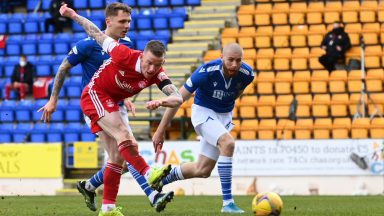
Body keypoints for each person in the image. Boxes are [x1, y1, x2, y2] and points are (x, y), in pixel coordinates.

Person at [38, 2, 174, 214]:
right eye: (122, 21)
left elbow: (132, 75)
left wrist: (127, 95)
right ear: (108, 21)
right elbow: (64, 67)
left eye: (129, 21)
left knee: (119, 157)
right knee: (125, 145)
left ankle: (94, 190)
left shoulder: (127, 45)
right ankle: (152, 194)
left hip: (116, 102)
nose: (127, 25)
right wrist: (53, 99)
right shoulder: (88, 44)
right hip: (95, 101)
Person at [152, 43, 254, 213]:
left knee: (203, 169)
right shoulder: (206, 71)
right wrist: (160, 130)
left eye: (238, 61)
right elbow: (178, 99)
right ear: (221, 57)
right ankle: (228, 203)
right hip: (203, 113)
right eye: (230, 60)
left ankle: (161, 180)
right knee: (228, 143)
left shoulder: (247, 74)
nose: (235, 65)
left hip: (224, 117)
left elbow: (237, 92)